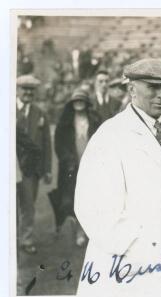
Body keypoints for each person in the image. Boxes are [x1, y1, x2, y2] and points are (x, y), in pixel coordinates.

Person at [74, 58, 161, 297]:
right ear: (131, 90)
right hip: (125, 259)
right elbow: (89, 204)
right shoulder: (111, 134)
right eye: (152, 87)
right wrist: (131, 244)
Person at [51, 89, 101, 247]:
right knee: (75, 200)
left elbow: (103, 140)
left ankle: (92, 231)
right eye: (76, 100)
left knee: (94, 199)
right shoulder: (65, 122)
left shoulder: (94, 119)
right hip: (72, 168)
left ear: (86, 103)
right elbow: (59, 144)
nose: (79, 103)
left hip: (92, 166)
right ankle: (79, 231)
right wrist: (68, 160)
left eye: (82, 100)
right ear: (72, 103)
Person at [16, 75, 52, 254]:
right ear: (17, 90)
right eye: (24, 89)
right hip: (11, 165)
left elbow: (46, 143)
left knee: (28, 205)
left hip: (31, 169)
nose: (28, 93)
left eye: (31, 89)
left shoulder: (40, 113)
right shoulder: (7, 109)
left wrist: (47, 169)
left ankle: (26, 239)